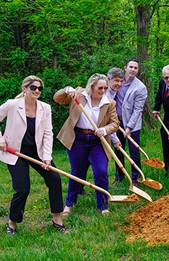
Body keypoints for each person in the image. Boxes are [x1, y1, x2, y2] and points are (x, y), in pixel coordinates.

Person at [0, 75, 66, 234]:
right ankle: (12, 223)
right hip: (15, 153)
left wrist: (47, 157)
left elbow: (47, 133)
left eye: (40, 88)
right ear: (24, 89)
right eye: (33, 87)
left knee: (55, 179)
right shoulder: (12, 105)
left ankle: (57, 218)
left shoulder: (45, 108)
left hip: (36, 151)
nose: (37, 90)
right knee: (23, 188)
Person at [55, 73, 119, 215]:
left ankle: (103, 205)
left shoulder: (109, 103)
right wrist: (66, 89)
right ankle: (70, 203)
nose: (103, 91)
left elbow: (115, 123)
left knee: (101, 171)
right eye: (100, 88)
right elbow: (57, 98)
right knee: (76, 171)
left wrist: (104, 129)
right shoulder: (78, 94)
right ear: (92, 86)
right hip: (77, 138)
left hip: (97, 142)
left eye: (105, 88)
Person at [112, 58, 148, 185]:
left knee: (134, 151)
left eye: (135, 68)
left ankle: (136, 177)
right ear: (125, 68)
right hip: (117, 122)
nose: (133, 69)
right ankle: (119, 176)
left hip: (132, 125)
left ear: (137, 71)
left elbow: (138, 110)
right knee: (118, 149)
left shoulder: (140, 88)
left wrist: (129, 127)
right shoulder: (118, 81)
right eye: (131, 67)